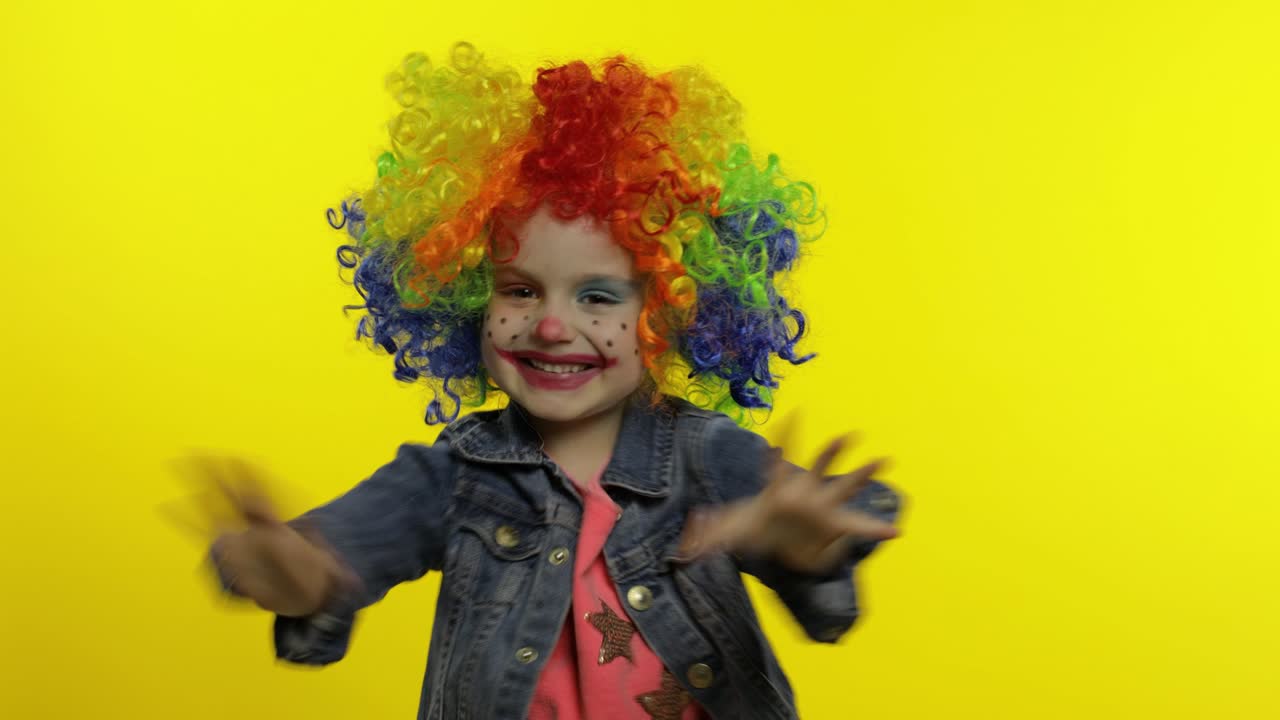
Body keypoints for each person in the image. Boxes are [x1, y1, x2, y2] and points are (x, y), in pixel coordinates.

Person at [205, 43, 904, 720]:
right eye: (519, 291)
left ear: (669, 307)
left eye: (598, 297)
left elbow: (845, 522)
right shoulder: (453, 477)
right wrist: (298, 576)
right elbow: (337, 551)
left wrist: (807, 547)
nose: (549, 327)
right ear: (468, 296)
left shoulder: (706, 457)